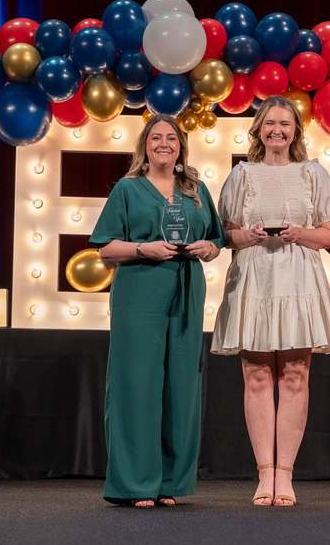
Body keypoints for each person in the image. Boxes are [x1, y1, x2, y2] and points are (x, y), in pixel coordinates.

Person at [211, 95, 330, 506]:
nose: (277, 130)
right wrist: (246, 236)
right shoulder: (242, 174)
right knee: (256, 377)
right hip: (254, 277)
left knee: (293, 376)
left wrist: (298, 234)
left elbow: (328, 236)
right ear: (258, 129)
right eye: (269, 123)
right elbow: (226, 235)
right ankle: (264, 475)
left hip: (297, 276)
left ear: (296, 131)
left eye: (285, 124)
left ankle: (285, 475)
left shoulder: (313, 173)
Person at [91, 114, 226, 508]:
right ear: (145, 145)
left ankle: (169, 482)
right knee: (137, 385)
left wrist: (209, 249)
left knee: (181, 386)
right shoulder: (128, 189)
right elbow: (104, 247)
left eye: (171, 138)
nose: (164, 143)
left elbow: (215, 239)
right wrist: (141, 249)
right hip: (139, 291)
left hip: (186, 291)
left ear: (181, 146)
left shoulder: (196, 189)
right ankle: (134, 485)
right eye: (156, 137)